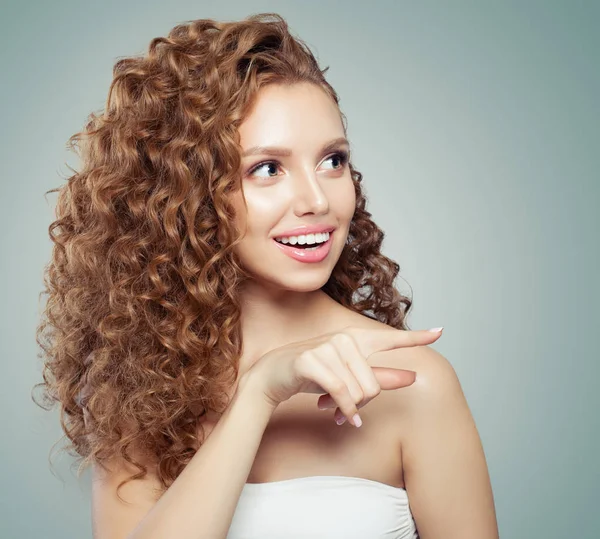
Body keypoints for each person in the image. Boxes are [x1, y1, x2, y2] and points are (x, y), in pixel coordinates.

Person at [34, 12, 499, 539]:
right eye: (267, 169)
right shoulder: (141, 392)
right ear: (185, 199)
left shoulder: (413, 384)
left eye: (333, 160)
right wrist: (257, 396)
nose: (318, 200)